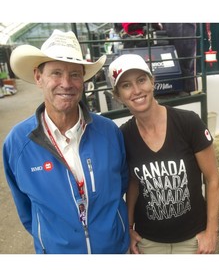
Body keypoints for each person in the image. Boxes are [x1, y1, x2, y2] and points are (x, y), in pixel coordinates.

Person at [3, 29, 130, 254]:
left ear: (83, 80)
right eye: (56, 73)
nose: (66, 83)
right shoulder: (18, 143)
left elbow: (121, 185)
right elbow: (26, 209)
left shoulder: (109, 132)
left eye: (74, 74)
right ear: (38, 77)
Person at [108, 54, 219, 254]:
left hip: (193, 239)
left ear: (152, 82)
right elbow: (133, 183)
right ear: (118, 96)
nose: (136, 91)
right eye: (126, 85)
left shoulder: (188, 123)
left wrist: (211, 232)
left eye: (141, 80)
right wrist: (130, 228)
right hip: (149, 242)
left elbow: (212, 179)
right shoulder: (124, 135)